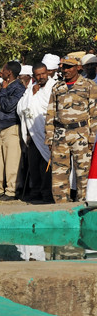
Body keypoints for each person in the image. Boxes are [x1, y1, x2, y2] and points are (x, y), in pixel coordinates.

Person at [45, 52, 97, 203]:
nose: (65, 70)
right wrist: (49, 137)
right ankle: (61, 205)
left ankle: (82, 204)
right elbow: (50, 112)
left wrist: (92, 136)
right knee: (59, 173)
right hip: (60, 134)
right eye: (63, 67)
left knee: (83, 173)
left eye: (69, 67)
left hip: (81, 133)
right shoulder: (57, 87)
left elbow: (94, 113)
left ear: (78, 68)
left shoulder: (89, 86)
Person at [17, 56, 58, 202]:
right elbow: (21, 108)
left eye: (43, 74)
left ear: (48, 73)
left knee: (45, 166)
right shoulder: (31, 89)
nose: (41, 77)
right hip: (33, 135)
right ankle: (35, 192)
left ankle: (47, 194)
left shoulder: (55, 87)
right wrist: (32, 94)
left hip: (48, 133)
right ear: (34, 75)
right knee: (33, 165)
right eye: (38, 75)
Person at [0, 60, 26, 200]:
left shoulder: (18, 88)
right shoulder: (6, 86)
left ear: (9, 72)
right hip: (1, 129)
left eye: (3, 70)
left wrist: (3, 90)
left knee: (12, 161)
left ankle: (11, 191)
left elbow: (8, 106)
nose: (1, 72)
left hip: (12, 127)